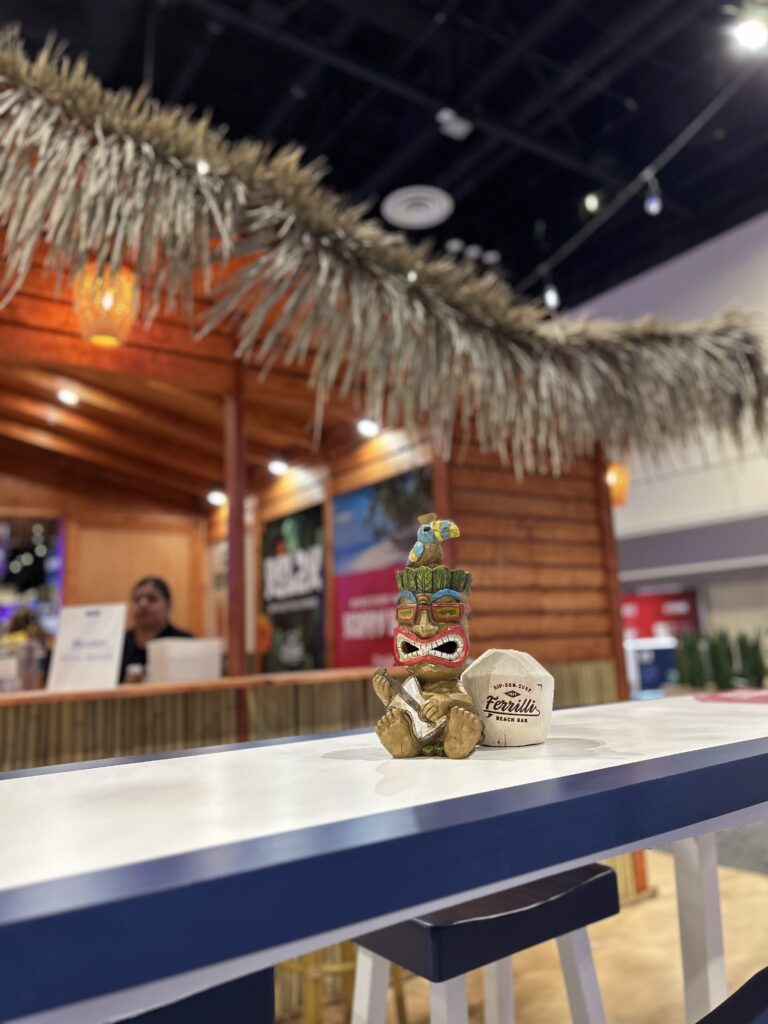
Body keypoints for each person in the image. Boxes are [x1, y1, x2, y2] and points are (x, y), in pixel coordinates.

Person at [120, 577, 192, 682]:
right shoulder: (118, 644)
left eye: (152, 599)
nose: (143, 605)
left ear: (168, 604)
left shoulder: (184, 643)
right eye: (137, 599)